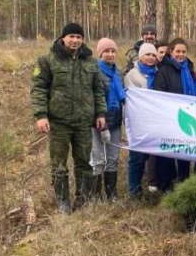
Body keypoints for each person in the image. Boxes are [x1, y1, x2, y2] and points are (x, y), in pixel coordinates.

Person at [31, 22, 106, 214]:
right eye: (71, 36)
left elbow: (98, 89)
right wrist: (41, 115)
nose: (75, 40)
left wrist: (100, 113)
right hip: (59, 122)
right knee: (58, 163)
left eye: (79, 37)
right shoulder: (47, 60)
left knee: (84, 163)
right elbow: (39, 88)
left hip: (83, 122)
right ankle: (63, 202)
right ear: (63, 37)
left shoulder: (90, 62)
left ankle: (83, 199)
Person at [151, 38, 196, 192]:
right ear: (171, 52)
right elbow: (159, 93)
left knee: (185, 152)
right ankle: (166, 186)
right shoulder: (163, 70)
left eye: (184, 51)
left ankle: (185, 183)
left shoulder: (189, 69)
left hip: (187, 118)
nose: (181, 54)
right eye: (178, 51)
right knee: (168, 153)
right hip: (169, 117)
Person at [90, 38, 125, 202]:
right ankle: (96, 195)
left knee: (112, 159)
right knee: (97, 159)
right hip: (98, 122)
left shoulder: (117, 73)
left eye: (113, 51)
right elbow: (91, 99)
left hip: (115, 122)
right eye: (106, 51)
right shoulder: (94, 71)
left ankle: (111, 194)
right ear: (100, 53)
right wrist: (99, 119)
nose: (110, 54)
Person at [124, 43, 159, 198]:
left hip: (156, 121)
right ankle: (134, 190)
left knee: (154, 154)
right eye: (147, 55)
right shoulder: (132, 74)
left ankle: (155, 185)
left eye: (153, 55)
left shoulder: (158, 73)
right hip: (138, 121)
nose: (151, 58)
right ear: (140, 57)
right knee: (137, 157)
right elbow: (132, 99)